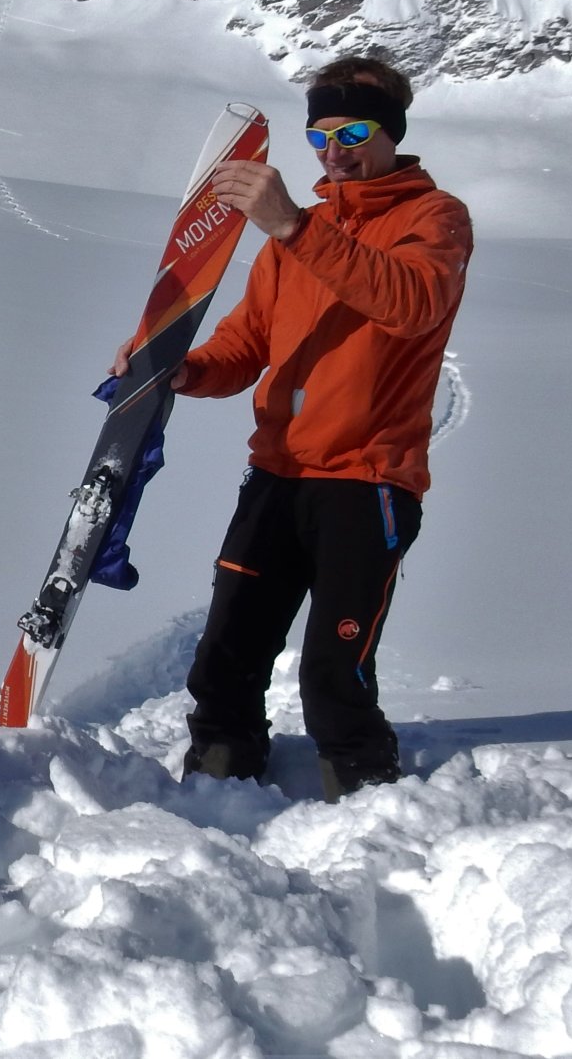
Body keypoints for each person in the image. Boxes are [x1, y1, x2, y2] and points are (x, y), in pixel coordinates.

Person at [112, 56, 473, 800]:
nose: (334, 152)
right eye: (320, 136)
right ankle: (218, 780)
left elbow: (411, 302)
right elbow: (245, 345)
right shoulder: (295, 241)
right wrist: (181, 369)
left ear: (392, 133)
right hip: (278, 473)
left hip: (367, 482)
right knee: (227, 653)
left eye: (354, 133)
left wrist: (295, 226)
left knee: (333, 673)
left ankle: (367, 797)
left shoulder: (434, 218)